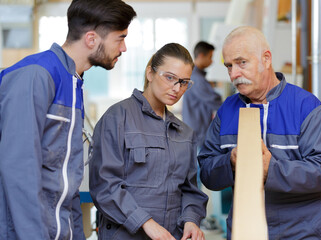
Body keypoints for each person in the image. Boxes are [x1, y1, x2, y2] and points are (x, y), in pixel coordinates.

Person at [0, 1, 136, 239]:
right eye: (120, 38)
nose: (124, 48)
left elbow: (68, 177)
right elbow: (19, 170)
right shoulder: (35, 75)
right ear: (92, 39)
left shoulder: (73, 82)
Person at [198, 26, 321, 240]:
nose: (234, 74)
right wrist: (230, 162)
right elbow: (207, 173)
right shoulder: (227, 111)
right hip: (244, 230)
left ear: (266, 59)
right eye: (229, 66)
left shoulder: (307, 108)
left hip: (300, 231)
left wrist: (270, 169)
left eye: (241, 62)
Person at [89, 43, 208, 240]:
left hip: (171, 235)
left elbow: (190, 190)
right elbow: (105, 186)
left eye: (184, 82)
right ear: (150, 73)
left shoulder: (184, 133)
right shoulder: (118, 118)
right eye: (170, 77)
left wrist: (191, 220)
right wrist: (146, 223)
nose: (176, 88)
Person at [182, 41, 222, 148]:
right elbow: (214, 100)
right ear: (201, 56)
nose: (212, 61)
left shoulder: (196, 76)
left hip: (197, 132)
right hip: (198, 134)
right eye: (210, 57)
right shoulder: (197, 79)